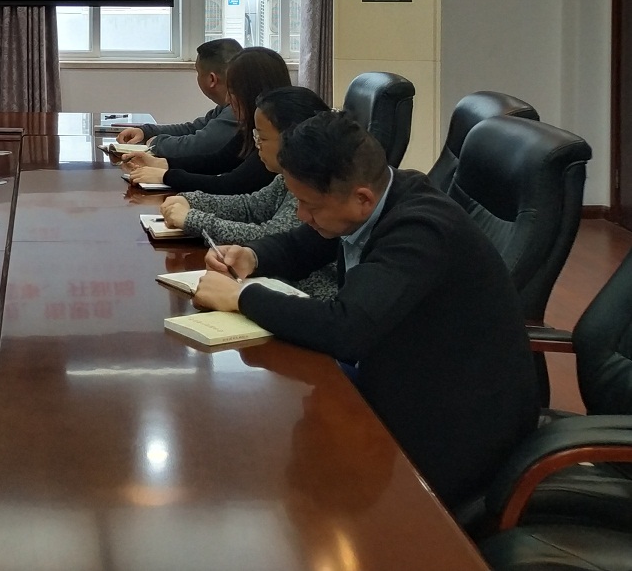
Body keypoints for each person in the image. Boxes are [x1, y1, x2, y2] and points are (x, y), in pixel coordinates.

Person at [191, 110, 537, 510]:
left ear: (361, 199)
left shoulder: (420, 231)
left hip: (458, 422)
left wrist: (241, 297)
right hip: (404, 373)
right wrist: (252, 256)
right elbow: (308, 242)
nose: (301, 214)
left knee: (304, 461)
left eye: (308, 204)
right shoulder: (377, 198)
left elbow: (346, 328)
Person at [158, 86, 337, 300]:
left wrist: (192, 219)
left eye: (262, 137)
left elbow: (271, 235)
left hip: (306, 297)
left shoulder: (316, 184)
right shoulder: (286, 177)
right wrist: (191, 199)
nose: (257, 144)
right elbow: (250, 207)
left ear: (291, 137)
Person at [125, 46, 288, 192]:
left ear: (251, 93)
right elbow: (219, 161)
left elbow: (231, 185)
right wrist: (163, 164)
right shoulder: (252, 128)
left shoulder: (276, 139)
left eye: (232, 92)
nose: (228, 99)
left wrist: (166, 176)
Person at [117, 38, 241, 163]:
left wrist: (155, 143)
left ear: (211, 79)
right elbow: (193, 128)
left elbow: (198, 146)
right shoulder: (227, 106)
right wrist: (146, 132)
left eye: (198, 72)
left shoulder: (237, 110)